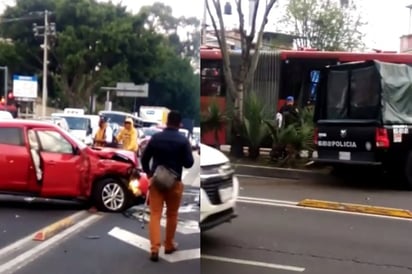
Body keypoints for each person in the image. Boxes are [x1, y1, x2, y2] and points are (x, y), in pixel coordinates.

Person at [141, 110, 194, 262]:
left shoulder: (156, 138)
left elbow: (145, 158)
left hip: (157, 181)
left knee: (155, 214)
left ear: (166, 122)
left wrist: (149, 174)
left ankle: (154, 249)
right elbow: (189, 163)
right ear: (179, 124)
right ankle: (169, 244)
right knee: (172, 214)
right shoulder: (183, 141)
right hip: (174, 182)